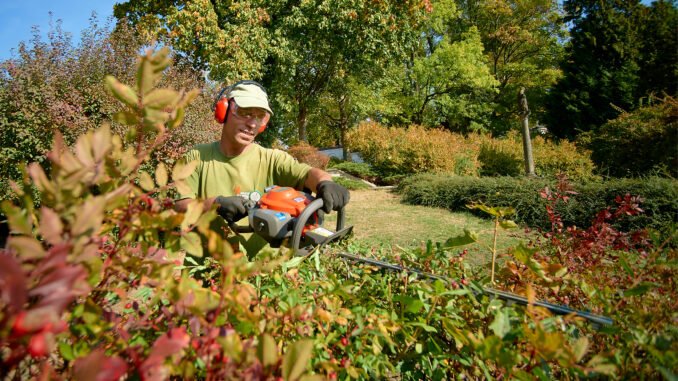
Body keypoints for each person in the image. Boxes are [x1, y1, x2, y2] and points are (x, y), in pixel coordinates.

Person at [175, 80, 349, 256]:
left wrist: (325, 183)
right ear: (224, 111)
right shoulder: (196, 157)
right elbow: (179, 206)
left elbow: (307, 174)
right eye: (244, 112)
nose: (252, 124)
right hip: (207, 272)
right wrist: (215, 204)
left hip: (261, 276)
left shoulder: (272, 159)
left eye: (260, 117)